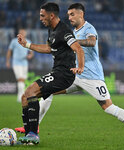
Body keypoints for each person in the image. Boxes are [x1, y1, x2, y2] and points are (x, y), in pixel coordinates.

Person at [16, 3, 124, 147]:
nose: (70, 17)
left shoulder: (88, 28)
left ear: (81, 14)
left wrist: (69, 41)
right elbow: (53, 47)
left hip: (92, 77)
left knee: (108, 108)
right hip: (74, 75)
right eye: (68, 15)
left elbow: (92, 42)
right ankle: (33, 128)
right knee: (47, 92)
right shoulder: (70, 31)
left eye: (72, 14)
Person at [17, 2, 85, 145]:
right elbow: (49, 48)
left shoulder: (64, 31)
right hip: (57, 71)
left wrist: (80, 67)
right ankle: (28, 138)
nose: (40, 18)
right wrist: (27, 45)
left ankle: (33, 134)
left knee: (30, 91)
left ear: (51, 15)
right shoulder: (52, 30)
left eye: (43, 15)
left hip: (64, 74)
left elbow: (78, 48)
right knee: (25, 97)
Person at [6, 28, 34, 103]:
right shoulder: (14, 41)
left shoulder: (28, 41)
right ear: (18, 34)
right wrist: (8, 61)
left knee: (23, 80)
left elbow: (31, 52)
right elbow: (9, 51)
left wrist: (30, 56)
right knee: (20, 79)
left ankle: (21, 95)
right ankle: (20, 97)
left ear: (25, 34)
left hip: (24, 63)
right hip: (16, 62)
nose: (22, 34)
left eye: (23, 32)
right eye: (20, 32)